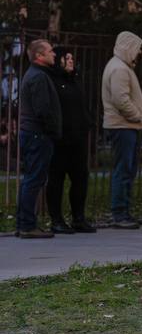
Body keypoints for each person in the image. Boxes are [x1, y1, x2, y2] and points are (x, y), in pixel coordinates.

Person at [15, 39, 60, 239]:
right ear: (39, 56)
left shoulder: (34, 75)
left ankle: (24, 222)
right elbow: (43, 109)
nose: (54, 54)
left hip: (32, 132)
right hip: (37, 134)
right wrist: (52, 130)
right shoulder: (39, 77)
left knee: (31, 179)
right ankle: (27, 224)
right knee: (34, 179)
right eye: (50, 51)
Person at [102, 30, 142, 229]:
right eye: (137, 48)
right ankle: (120, 212)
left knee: (127, 169)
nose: (139, 52)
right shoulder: (119, 69)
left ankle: (124, 211)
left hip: (126, 125)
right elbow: (121, 99)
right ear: (129, 47)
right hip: (123, 126)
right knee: (124, 169)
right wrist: (136, 115)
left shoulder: (122, 67)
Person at [47, 48, 94, 234]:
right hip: (60, 140)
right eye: (67, 58)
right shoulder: (53, 81)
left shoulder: (75, 80)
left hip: (78, 138)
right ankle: (56, 219)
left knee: (80, 178)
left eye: (72, 58)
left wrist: (87, 123)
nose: (71, 61)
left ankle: (78, 218)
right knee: (56, 179)